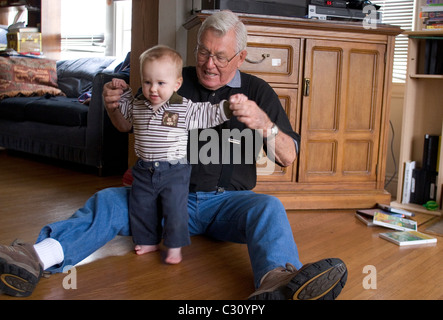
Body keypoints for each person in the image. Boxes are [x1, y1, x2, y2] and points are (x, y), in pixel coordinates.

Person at [0, 10, 347, 299]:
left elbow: (288, 156)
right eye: (203, 52)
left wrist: (263, 123)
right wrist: (111, 107)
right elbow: (126, 125)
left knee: (268, 208)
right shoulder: (169, 79)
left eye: (221, 56)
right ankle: (35, 258)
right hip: (161, 198)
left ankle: (278, 283)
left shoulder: (257, 90)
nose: (209, 64)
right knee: (108, 201)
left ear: (241, 57)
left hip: (227, 204)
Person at [109, 45, 245, 264]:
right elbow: (122, 107)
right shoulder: (138, 105)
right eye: (147, 82)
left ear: (176, 84)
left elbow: (207, 114)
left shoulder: (183, 107)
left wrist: (228, 107)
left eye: (161, 83)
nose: (153, 89)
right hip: (144, 169)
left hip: (174, 170)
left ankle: (174, 245)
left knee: (174, 209)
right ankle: (148, 240)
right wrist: (121, 88)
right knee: (141, 206)